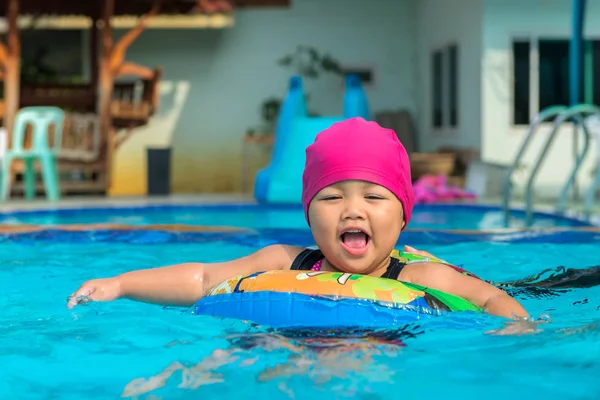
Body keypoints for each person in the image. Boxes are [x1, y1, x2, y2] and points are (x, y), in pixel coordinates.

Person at [67, 117, 529, 321]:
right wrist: (121, 284)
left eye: (373, 195)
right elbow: (203, 277)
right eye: (331, 197)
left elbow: (492, 300)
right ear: (308, 214)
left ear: (403, 217)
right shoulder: (285, 261)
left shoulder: (421, 275)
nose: (353, 209)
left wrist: (516, 328)